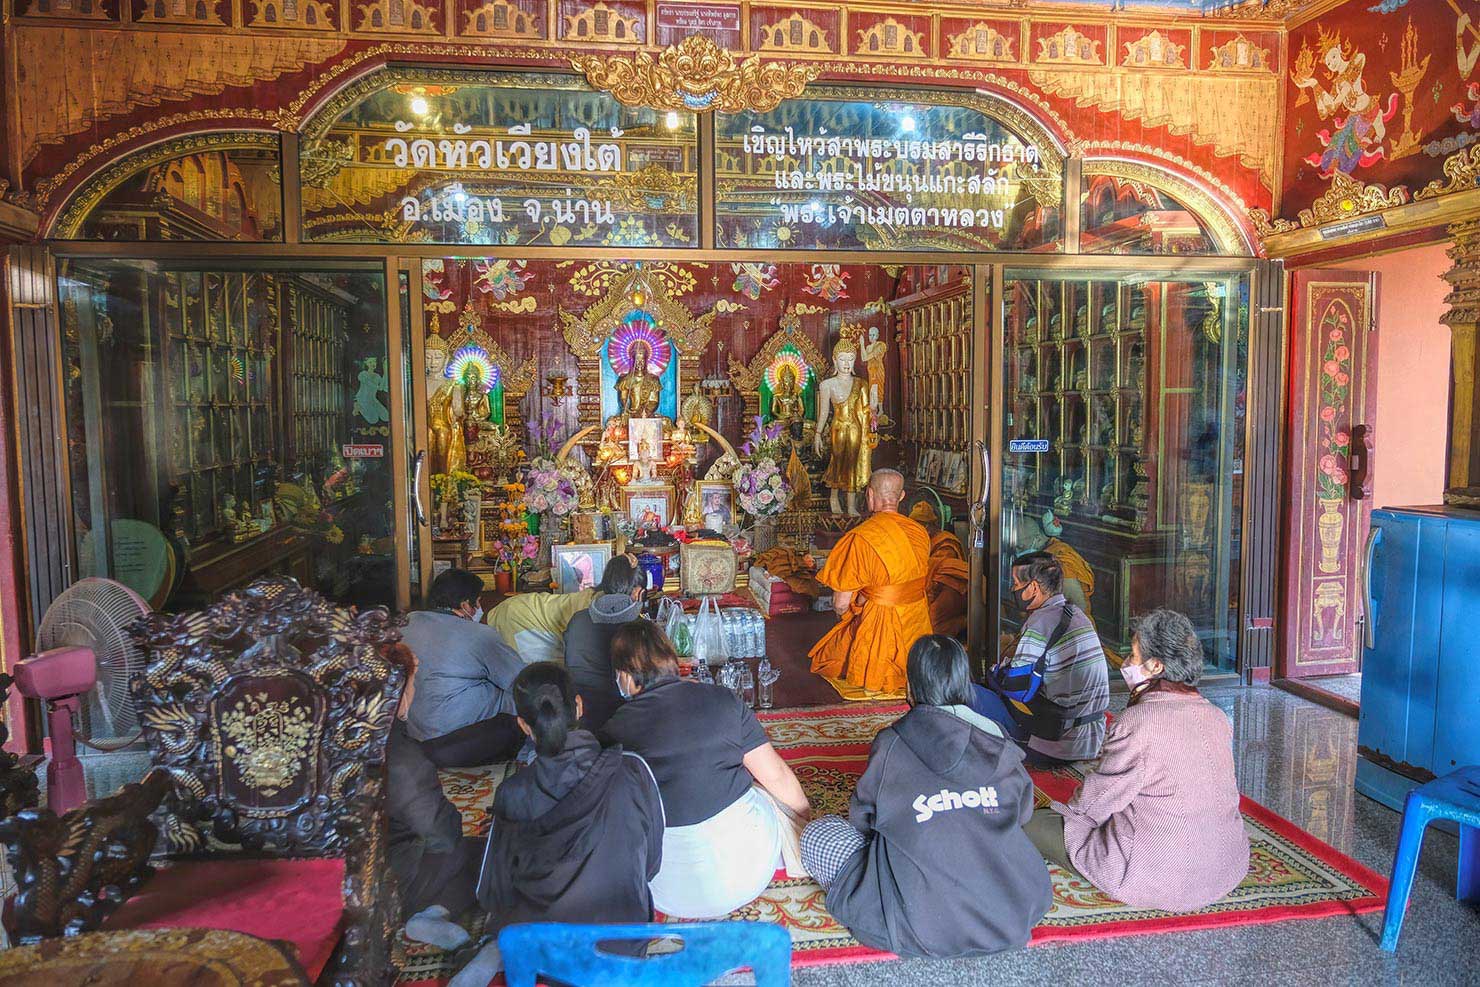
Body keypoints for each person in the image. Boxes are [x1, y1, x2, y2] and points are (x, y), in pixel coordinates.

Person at [800, 636, 1051, 958]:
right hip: (1007, 907)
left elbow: (862, 819)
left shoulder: (891, 742)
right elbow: (1022, 813)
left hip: (914, 918)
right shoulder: (997, 739)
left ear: (911, 686)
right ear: (965, 682)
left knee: (817, 834)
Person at [450, 662, 665, 987]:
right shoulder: (632, 769)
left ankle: (492, 949)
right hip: (627, 943)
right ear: (578, 705)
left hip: (551, 959)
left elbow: (493, 892)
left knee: (503, 906)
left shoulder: (513, 793)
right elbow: (652, 864)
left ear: (524, 725)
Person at [1025, 610, 1249, 912]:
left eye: (1133, 656)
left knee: (1030, 823)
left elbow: (1094, 805)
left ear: (1156, 666)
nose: (1126, 664)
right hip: (1225, 867)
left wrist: (1060, 816)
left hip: (1158, 876)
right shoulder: (1217, 716)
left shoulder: (1138, 722)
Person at [600, 621, 811, 919]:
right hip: (752, 871)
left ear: (623, 676)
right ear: (674, 661)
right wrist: (806, 823)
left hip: (666, 889)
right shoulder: (723, 699)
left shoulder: (614, 730)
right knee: (764, 789)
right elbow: (775, 774)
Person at [975, 552, 1108, 765]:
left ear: (1034, 588)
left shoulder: (1041, 622)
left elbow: (1018, 688)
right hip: (1091, 739)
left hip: (1058, 744)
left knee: (973, 695)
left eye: (1017, 584)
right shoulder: (1077, 614)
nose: (1013, 589)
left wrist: (996, 673)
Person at [386, 648, 479, 952]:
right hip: (386, 880)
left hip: (335, 866)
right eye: (412, 686)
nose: (413, 693)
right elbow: (441, 834)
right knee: (481, 853)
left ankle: (434, 914)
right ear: (396, 693)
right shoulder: (400, 758)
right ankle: (433, 910)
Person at [809, 469, 933, 697]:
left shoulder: (860, 538)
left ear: (870, 495)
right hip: (918, 629)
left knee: (829, 657)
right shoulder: (920, 533)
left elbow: (840, 603)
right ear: (902, 496)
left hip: (879, 627)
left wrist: (854, 611)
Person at [402, 568, 525, 767]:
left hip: (410, 739)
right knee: (517, 695)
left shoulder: (405, 624)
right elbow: (521, 680)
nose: (479, 608)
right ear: (465, 605)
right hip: (454, 744)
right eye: (477, 602)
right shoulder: (479, 634)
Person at [563, 553, 644, 731]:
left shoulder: (578, 620)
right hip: (624, 718)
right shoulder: (641, 628)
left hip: (581, 716)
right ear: (638, 592)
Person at [485, 584, 597, 666]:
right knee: (525, 675)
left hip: (524, 611)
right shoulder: (589, 607)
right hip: (519, 618)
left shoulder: (593, 601)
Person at [910, 500, 969, 638]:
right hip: (933, 586)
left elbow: (939, 570)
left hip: (952, 586)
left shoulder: (946, 542)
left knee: (932, 623)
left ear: (930, 526)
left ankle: (966, 621)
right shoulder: (920, 540)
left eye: (919, 525)